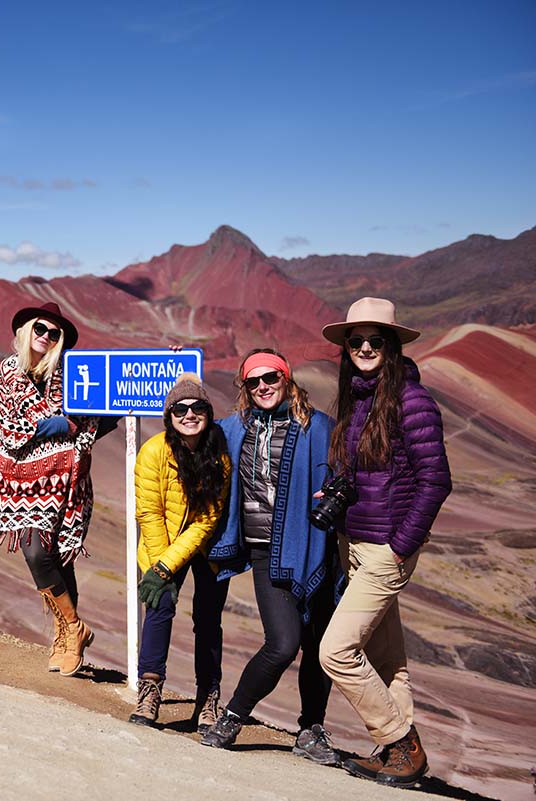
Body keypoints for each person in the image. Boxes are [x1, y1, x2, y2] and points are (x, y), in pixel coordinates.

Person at [317, 297, 451, 787]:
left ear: (392, 345)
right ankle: (399, 755)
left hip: (384, 549)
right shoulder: (361, 399)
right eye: (357, 341)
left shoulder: (412, 402)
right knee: (386, 659)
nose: (366, 348)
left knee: (336, 651)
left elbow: (435, 480)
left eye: (376, 340)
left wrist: (400, 545)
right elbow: (374, 474)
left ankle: (400, 743)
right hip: (357, 542)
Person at [199, 349, 340, 763]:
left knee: (318, 646)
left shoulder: (318, 427)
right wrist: (183, 375)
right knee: (282, 643)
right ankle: (232, 717)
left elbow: (350, 472)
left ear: (286, 378)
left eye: (271, 378)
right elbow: (188, 425)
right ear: (244, 387)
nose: (263, 386)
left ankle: (311, 730)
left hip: (316, 548)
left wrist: (335, 490)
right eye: (253, 381)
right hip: (266, 553)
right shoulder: (233, 429)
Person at [0, 302, 116, 677]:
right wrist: (66, 426)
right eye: (40, 329)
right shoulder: (9, 372)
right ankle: (72, 628)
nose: (45, 337)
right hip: (21, 478)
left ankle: (66, 635)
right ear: (26, 330)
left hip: (67, 479)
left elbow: (103, 414)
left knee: (53, 553)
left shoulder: (72, 374)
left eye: (54, 334)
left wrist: (73, 426)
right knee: (34, 549)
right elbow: (15, 428)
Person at [128, 373, 230, 729]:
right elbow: (149, 513)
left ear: (208, 411)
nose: (189, 414)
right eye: (180, 409)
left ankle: (208, 698)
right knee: (159, 605)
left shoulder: (219, 453)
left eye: (197, 407)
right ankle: (150, 689)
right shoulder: (154, 451)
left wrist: (167, 565)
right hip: (162, 543)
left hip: (207, 547)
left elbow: (207, 519)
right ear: (169, 416)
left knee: (207, 619)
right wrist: (160, 568)